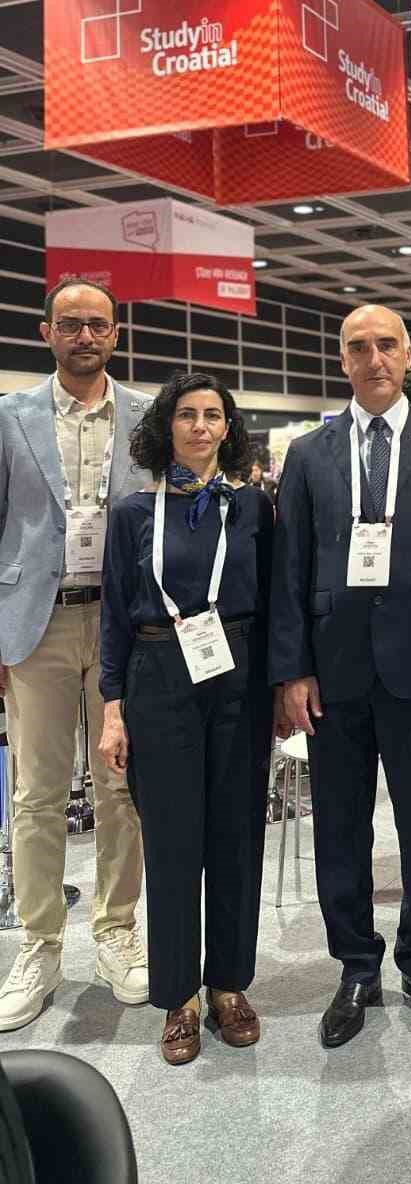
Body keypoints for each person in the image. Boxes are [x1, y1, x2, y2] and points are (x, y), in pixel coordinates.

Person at [270, 304, 411, 1048]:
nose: (374, 359)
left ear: (408, 355)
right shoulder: (309, 454)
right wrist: (292, 669)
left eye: (387, 345)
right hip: (332, 674)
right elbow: (289, 569)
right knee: (339, 826)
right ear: (342, 361)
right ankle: (356, 966)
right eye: (358, 347)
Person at [96, 373, 276, 1065]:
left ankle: (229, 985)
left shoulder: (251, 507)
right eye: (187, 415)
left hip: (237, 674)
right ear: (165, 426)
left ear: (228, 429)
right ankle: (180, 997)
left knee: (236, 836)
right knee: (172, 844)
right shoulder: (133, 514)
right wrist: (113, 708)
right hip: (158, 674)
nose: (201, 427)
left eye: (213, 416)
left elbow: (274, 600)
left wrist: (279, 688)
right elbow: (116, 615)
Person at [0, 279, 149, 1031]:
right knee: (37, 795)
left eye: (97, 325)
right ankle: (40, 944)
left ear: (115, 334)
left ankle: (117, 931)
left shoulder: (148, 417)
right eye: (70, 324)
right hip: (37, 625)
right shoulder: (9, 417)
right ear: (46, 332)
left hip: (123, 626)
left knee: (122, 786)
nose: (85, 336)